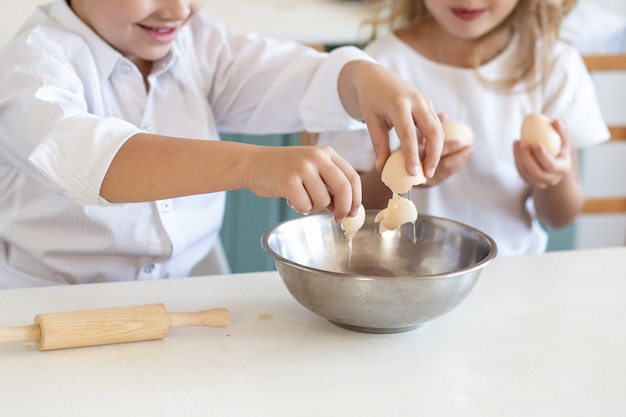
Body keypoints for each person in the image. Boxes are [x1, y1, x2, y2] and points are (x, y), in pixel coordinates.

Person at [0, 0, 444, 288]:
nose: (178, 10)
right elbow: (88, 158)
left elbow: (301, 78)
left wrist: (365, 79)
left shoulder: (200, 44)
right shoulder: (30, 65)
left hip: (180, 305)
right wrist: (251, 164)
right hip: (47, 307)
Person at [317, 0, 610, 256]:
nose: (469, 1)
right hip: (403, 273)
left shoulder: (553, 64)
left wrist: (550, 178)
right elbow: (343, 204)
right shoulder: (378, 68)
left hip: (512, 271)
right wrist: (402, 173)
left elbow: (560, 217)